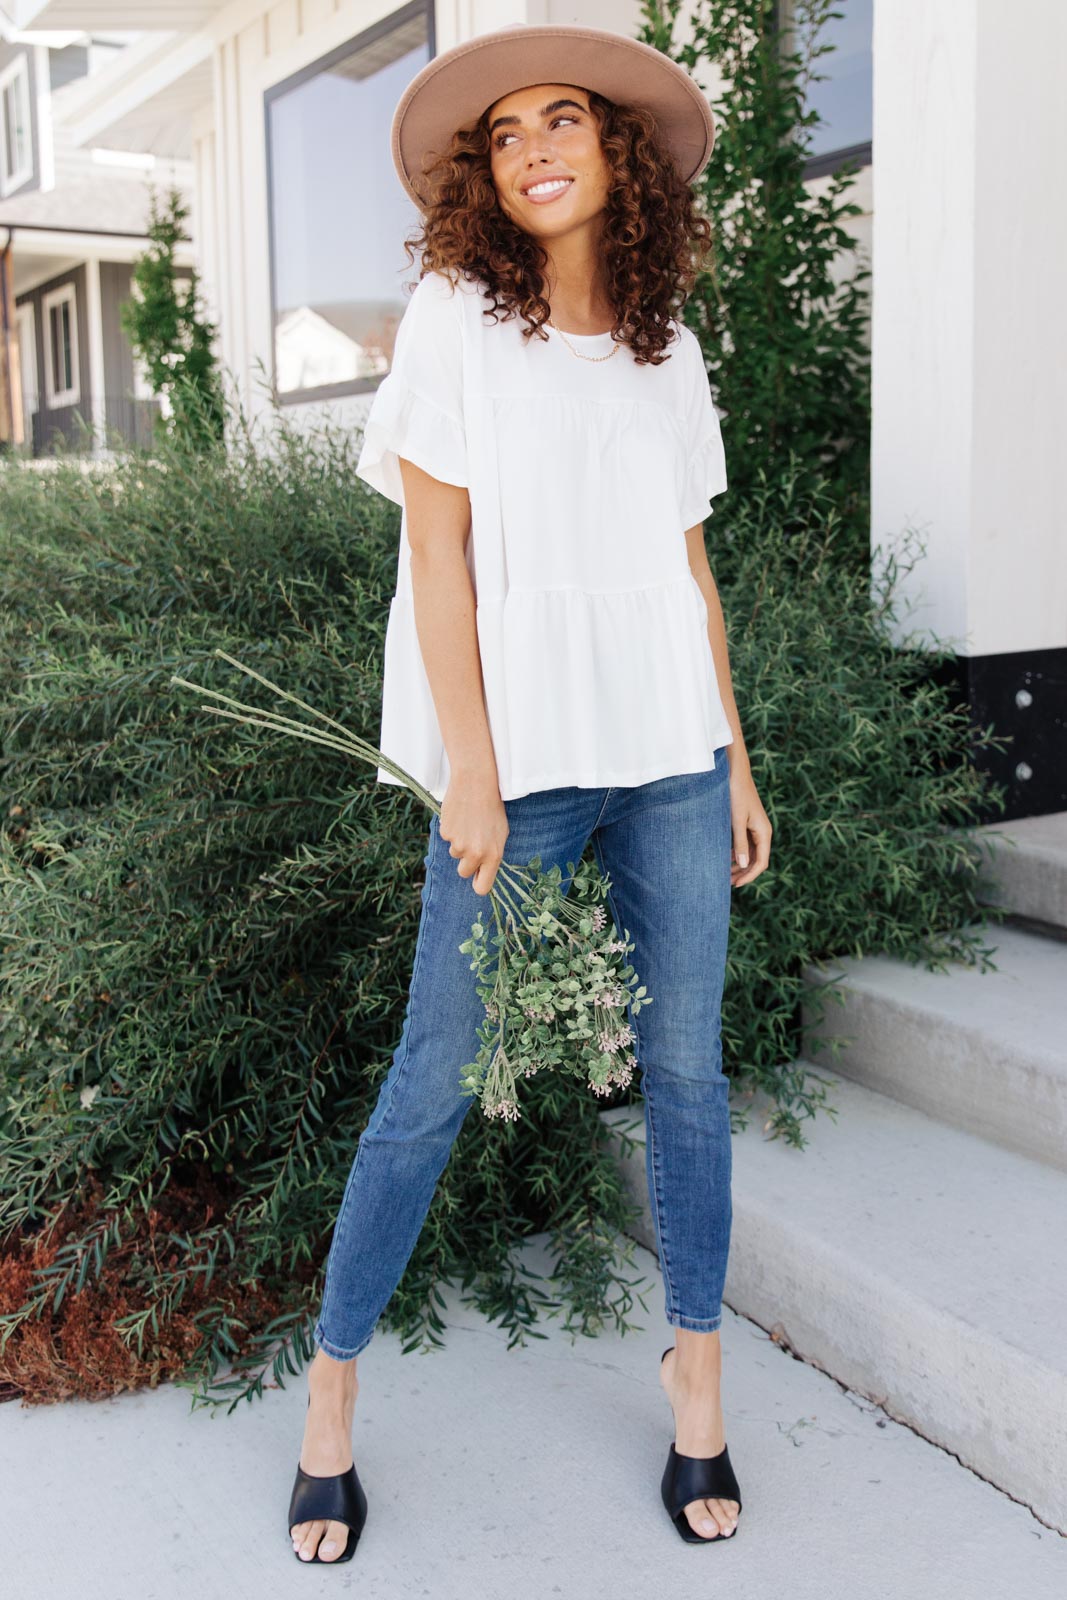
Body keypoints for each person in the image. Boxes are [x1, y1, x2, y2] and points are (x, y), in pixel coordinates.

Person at [287, 20, 772, 1565]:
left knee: (689, 1071)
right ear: (485, 178)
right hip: (523, 767)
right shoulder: (454, 318)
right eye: (507, 134)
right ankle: (330, 1395)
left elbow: (690, 572)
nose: (539, 146)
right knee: (434, 1070)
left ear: (617, 153)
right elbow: (435, 558)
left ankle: (697, 1378)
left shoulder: (667, 343)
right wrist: (472, 769)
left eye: (566, 119)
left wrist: (736, 755)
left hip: (671, 754)